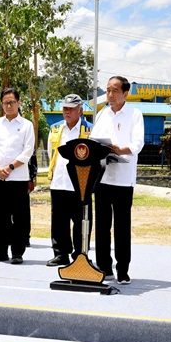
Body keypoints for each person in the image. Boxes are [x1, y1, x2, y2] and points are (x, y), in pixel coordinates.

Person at [89, 76, 145, 284]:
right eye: (107, 90)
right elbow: (94, 140)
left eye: (114, 90)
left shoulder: (134, 114)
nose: (110, 95)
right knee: (102, 226)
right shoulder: (102, 114)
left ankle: (123, 270)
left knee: (122, 227)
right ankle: (105, 267)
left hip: (123, 179)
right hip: (103, 177)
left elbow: (138, 142)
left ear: (125, 93)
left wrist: (122, 149)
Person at [0, 88, 35, 264]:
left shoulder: (27, 125)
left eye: (12, 102)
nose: (9, 105)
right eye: (5, 102)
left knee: (19, 216)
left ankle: (17, 252)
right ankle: (0, 250)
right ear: (2, 105)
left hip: (18, 177)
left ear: (19, 103)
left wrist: (11, 166)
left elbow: (28, 150)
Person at [46, 94, 93, 266]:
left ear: (80, 110)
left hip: (80, 184)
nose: (67, 111)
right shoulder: (55, 128)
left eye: (72, 108)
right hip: (59, 181)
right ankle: (60, 254)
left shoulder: (90, 130)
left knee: (82, 221)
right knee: (59, 221)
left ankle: (80, 255)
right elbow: (51, 152)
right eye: (65, 108)